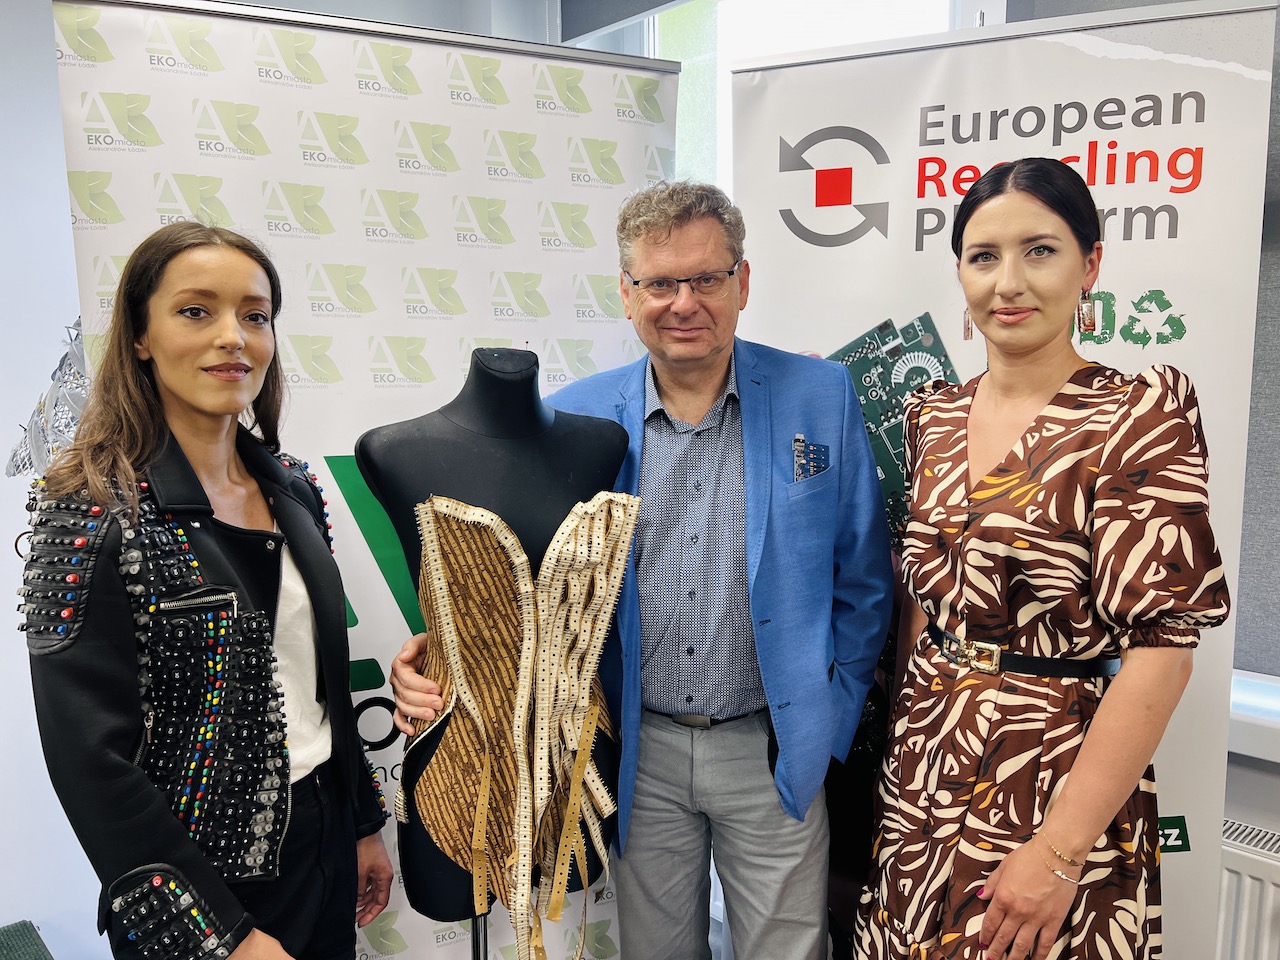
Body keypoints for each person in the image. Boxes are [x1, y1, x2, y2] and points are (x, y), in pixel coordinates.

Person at [391, 180, 895, 960]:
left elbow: (862, 577)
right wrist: (434, 655)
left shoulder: (818, 396)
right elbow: (527, 589)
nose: (683, 302)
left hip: (771, 747)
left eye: (706, 278)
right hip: (639, 749)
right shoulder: (577, 420)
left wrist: (826, 720)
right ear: (627, 295)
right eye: (660, 283)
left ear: (742, 282)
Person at [855, 157, 1231, 960]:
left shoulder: (1137, 415)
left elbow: (1163, 653)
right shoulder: (931, 417)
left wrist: (1060, 853)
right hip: (922, 762)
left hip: (1053, 772)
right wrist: (898, 754)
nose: (1009, 283)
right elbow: (924, 603)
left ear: (1090, 264)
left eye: (1040, 251)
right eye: (983, 256)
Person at [20, 222, 392, 960]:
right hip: (200, 878)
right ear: (140, 337)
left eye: (255, 315)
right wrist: (221, 932)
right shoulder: (91, 511)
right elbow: (91, 763)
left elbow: (318, 687)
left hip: (322, 842)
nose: (233, 337)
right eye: (196, 311)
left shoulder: (294, 488)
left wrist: (359, 824)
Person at [354, 347, 628, 927]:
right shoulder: (392, 449)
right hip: (451, 752)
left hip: (577, 755)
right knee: (450, 899)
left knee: (574, 881)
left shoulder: (604, 443)